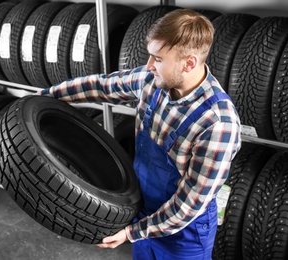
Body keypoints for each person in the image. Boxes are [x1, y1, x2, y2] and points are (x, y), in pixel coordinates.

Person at [38, 8, 241, 260]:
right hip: (144, 209)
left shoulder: (217, 123)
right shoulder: (152, 80)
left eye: (157, 58)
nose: (148, 66)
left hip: (184, 235)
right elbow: (101, 86)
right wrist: (43, 99)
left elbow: (188, 206)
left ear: (189, 63)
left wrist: (132, 232)